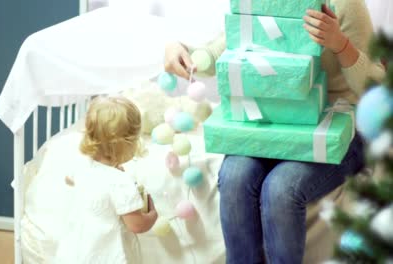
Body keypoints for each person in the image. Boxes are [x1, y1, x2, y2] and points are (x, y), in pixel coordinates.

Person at [164, 0, 385, 263]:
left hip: (339, 128)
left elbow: (376, 88)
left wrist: (340, 44)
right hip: (273, 125)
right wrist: (181, 50)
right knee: (234, 177)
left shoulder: (345, 4)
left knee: (281, 189)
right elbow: (222, 49)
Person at [54, 96, 158, 264]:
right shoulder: (121, 182)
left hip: (75, 251)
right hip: (108, 255)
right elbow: (136, 225)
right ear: (126, 144)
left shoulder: (81, 164)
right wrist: (152, 216)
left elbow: (69, 179)